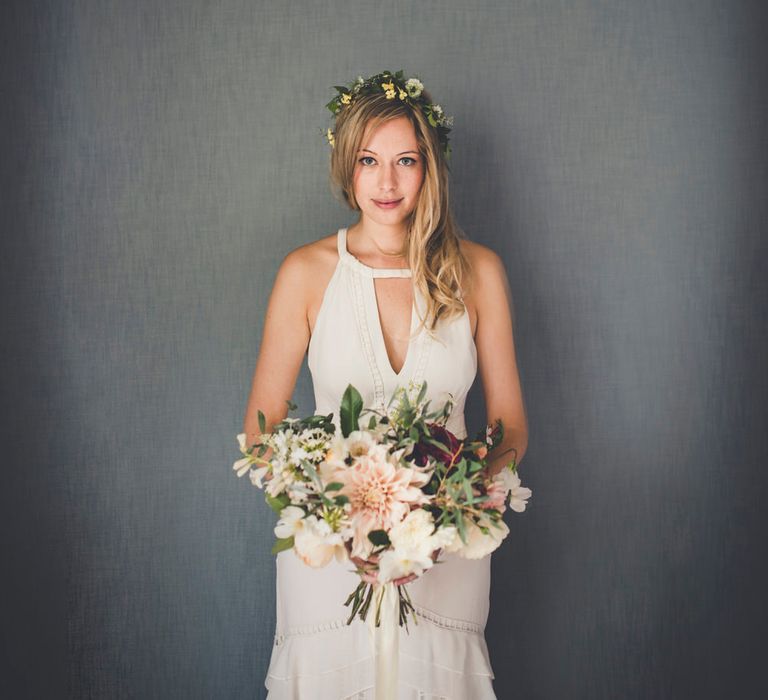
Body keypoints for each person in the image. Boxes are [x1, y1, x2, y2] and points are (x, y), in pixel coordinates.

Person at [242, 70, 528, 700]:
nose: (387, 182)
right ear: (348, 166)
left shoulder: (478, 272)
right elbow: (258, 431)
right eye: (370, 160)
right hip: (329, 557)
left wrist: (457, 510)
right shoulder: (306, 272)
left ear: (431, 167)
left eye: (406, 160)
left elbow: (508, 422)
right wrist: (340, 523)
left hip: (445, 553)